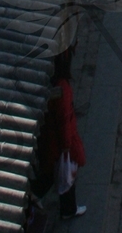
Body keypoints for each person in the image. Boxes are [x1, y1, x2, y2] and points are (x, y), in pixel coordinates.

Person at [38, 55, 89, 221]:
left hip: (51, 137)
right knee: (64, 173)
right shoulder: (63, 89)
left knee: (51, 173)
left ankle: (64, 206)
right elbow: (64, 119)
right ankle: (67, 208)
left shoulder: (51, 84)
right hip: (62, 140)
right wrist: (67, 145)